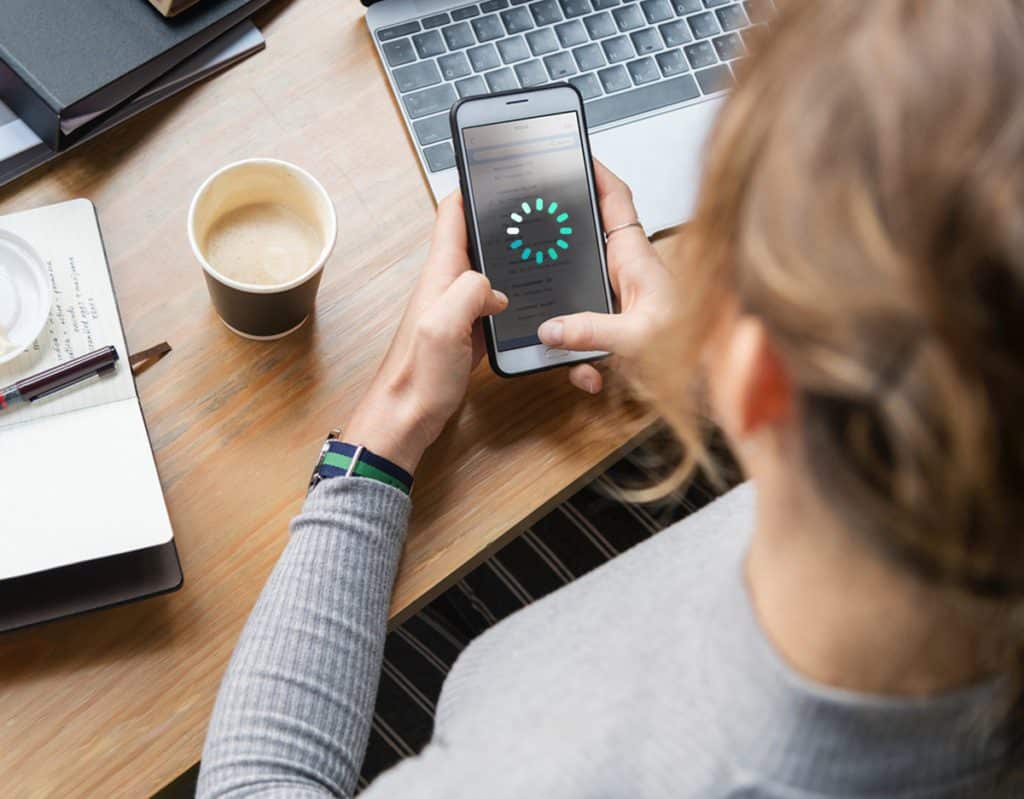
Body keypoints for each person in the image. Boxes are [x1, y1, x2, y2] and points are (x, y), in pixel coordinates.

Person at [197, 1, 1024, 796]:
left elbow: (250, 786)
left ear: (761, 371)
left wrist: (389, 424)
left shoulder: (562, 772)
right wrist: (707, 377)